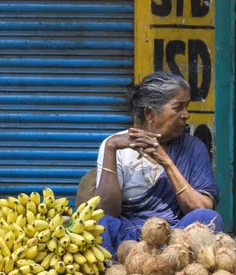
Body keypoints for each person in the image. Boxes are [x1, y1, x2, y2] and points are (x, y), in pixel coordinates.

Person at [94, 72, 223, 259]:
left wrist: (166, 162)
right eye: (178, 107)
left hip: (177, 240)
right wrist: (110, 149)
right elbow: (107, 213)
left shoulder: (193, 147)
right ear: (149, 113)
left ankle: (173, 270)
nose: (186, 114)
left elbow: (202, 207)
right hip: (129, 241)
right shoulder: (116, 146)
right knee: (100, 223)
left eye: (186, 107)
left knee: (208, 219)